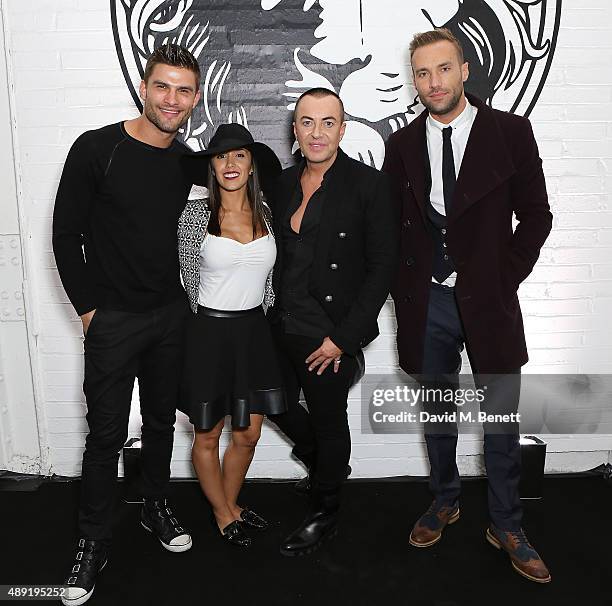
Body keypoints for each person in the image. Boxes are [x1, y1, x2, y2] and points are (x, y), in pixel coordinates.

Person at [383, 29, 552, 583]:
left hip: (489, 300)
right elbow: (390, 227)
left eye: (443, 69)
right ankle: (444, 501)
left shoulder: (509, 131)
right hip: (426, 301)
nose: (433, 82)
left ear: (464, 71)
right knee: (438, 413)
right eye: (423, 73)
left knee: (500, 419)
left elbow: (537, 216)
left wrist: (506, 276)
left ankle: (507, 522)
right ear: (415, 80)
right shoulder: (401, 145)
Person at [52, 44, 201, 605]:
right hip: (113, 320)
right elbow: (66, 236)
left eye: (184, 90)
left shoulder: (186, 160)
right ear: (144, 87)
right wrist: (91, 311)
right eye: (163, 86)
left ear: (194, 97)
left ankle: (154, 507)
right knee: (106, 436)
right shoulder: (96, 148)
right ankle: (91, 543)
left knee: (162, 423)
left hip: (170, 316)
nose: (172, 99)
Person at [267, 87, 399, 556]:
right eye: (307, 122)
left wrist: (343, 340)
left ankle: (326, 510)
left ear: (342, 129)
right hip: (278, 323)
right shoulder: (280, 184)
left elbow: (383, 266)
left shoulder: (368, 184)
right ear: (295, 130)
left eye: (328, 122)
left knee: (327, 418)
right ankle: (325, 466)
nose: (317, 132)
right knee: (274, 403)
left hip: (328, 332)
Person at [178, 123, 285, 547]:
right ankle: (224, 514)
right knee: (207, 433)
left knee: (248, 433)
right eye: (221, 156)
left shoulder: (266, 213)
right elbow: (185, 280)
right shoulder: (195, 216)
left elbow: (270, 283)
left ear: (251, 163)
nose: (230, 163)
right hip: (209, 333)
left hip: (254, 334)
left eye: (239, 155)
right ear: (212, 165)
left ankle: (231, 502)